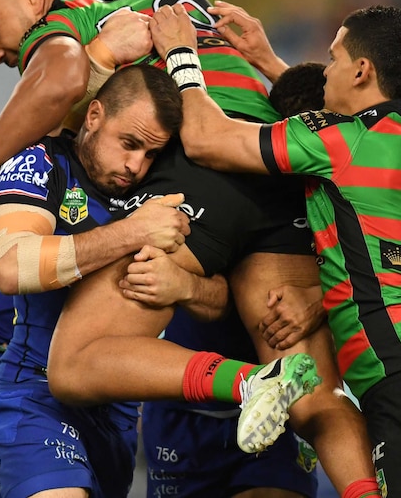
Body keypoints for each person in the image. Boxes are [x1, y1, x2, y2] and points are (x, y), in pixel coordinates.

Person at [0, 0, 378, 498]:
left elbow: (61, 81)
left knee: (70, 367)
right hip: (276, 171)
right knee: (315, 396)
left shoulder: (70, 17)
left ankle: (249, 381)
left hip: (209, 168)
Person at [143, 1, 401, 497]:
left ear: (362, 69)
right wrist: (268, 62)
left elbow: (206, 139)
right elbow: (381, 250)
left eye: (333, 58)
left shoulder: (342, 142)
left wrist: (183, 56)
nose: (325, 68)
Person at [0, 64, 275, 498]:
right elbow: (10, 265)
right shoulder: (42, 162)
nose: (136, 165)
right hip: (35, 395)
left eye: (151, 153)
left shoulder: (164, 183)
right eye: (130, 144)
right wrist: (130, 232)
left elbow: (219, 300)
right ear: (94, 116)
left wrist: (186, 287)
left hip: (118, 408)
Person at [0, 6, 156, 498]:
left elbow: (64, 86)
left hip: (91, 379)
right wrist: (100, 53)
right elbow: (59, 89)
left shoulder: (128, 158)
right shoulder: (33, 146)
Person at [130, 61, 332, 498]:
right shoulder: (199, 182)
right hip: (184, 409)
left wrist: (321, 297)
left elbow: (383, 276)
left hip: (276, 409)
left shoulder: (333, 197)